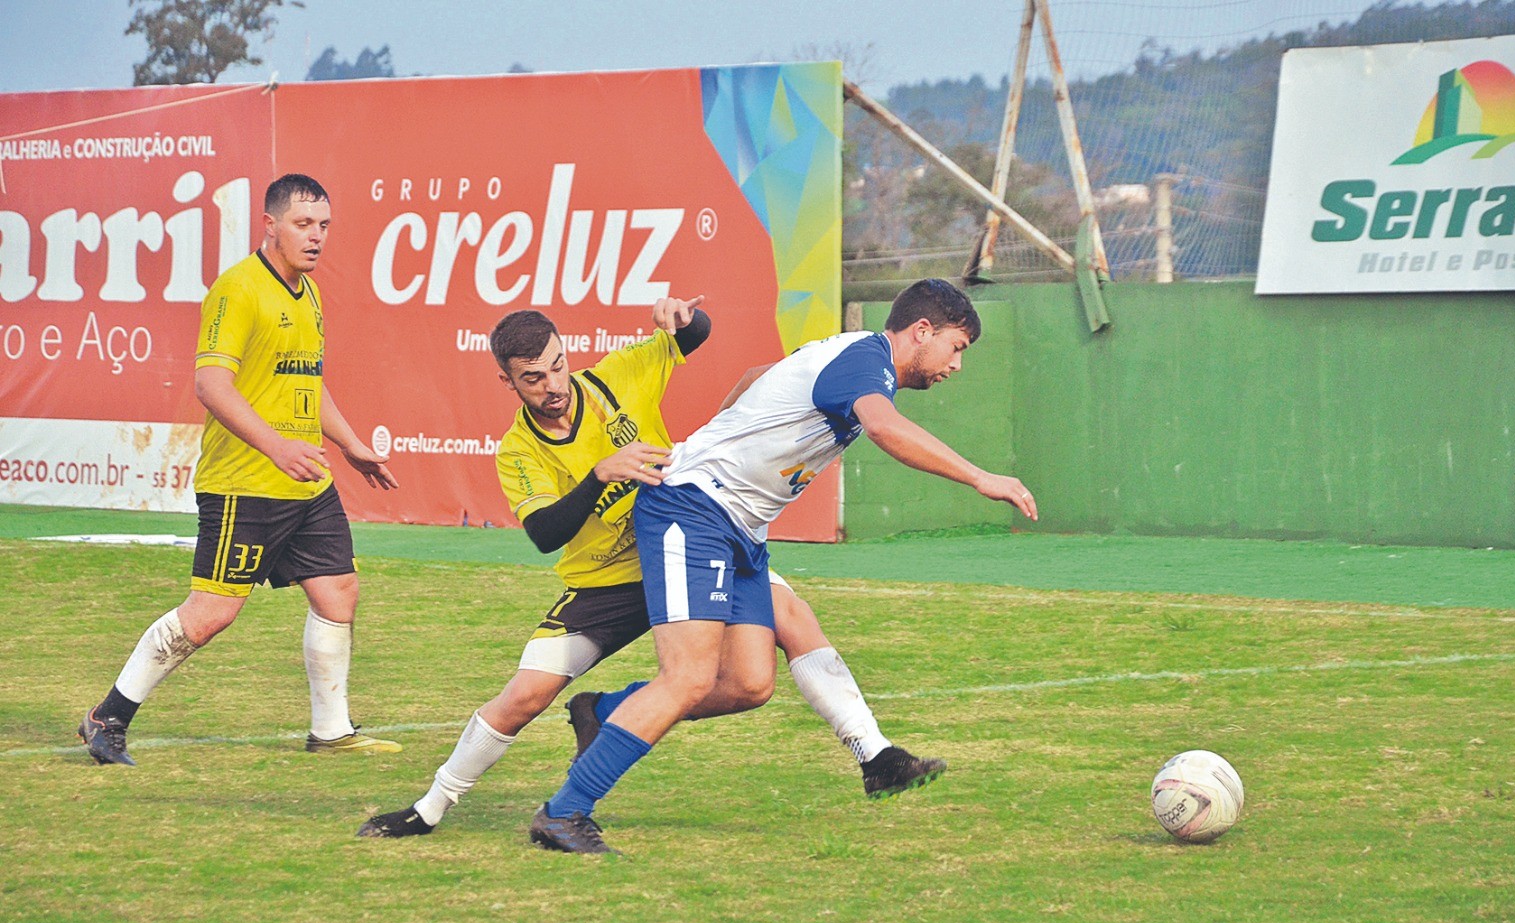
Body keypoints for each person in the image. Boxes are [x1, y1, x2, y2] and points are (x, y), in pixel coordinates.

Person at [357, 299, 945, 839]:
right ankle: (430, 808)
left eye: (557, 367)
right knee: (525, 696)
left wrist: (684, 315)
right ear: (507, 381)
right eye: (532, 378)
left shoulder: (616, 376)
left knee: (755, 674)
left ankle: (874, 754)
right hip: (609, 585)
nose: (552, 386)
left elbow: (695, 333)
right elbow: (544, 534)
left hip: (690, 541)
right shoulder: (518, 449)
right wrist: (599, 474)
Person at [527, 278, 1037, 854]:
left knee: (748, 682)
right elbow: (885, 427)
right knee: (689, 677)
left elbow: (753, 379)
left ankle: (605, 711)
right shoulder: (868, 362)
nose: (956, 364)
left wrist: (721, 433)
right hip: (692, 510)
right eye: (957, 346)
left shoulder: (851, 355)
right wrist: (981, 477)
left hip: (738, 526)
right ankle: (563, 812)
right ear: (922, 331)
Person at [77, 173, 402, 767]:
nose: (316, 237)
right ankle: (108, 717)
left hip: (306, 480)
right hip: (243, 486)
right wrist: (277, 446)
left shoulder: (309, 293)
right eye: (304, 224)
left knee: (338, 592)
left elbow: (307, 381)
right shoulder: (238, 289)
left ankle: (330, 731)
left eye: (324, 226)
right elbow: (210, 384)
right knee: (210, 615)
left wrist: (350, 445)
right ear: (270, 224)